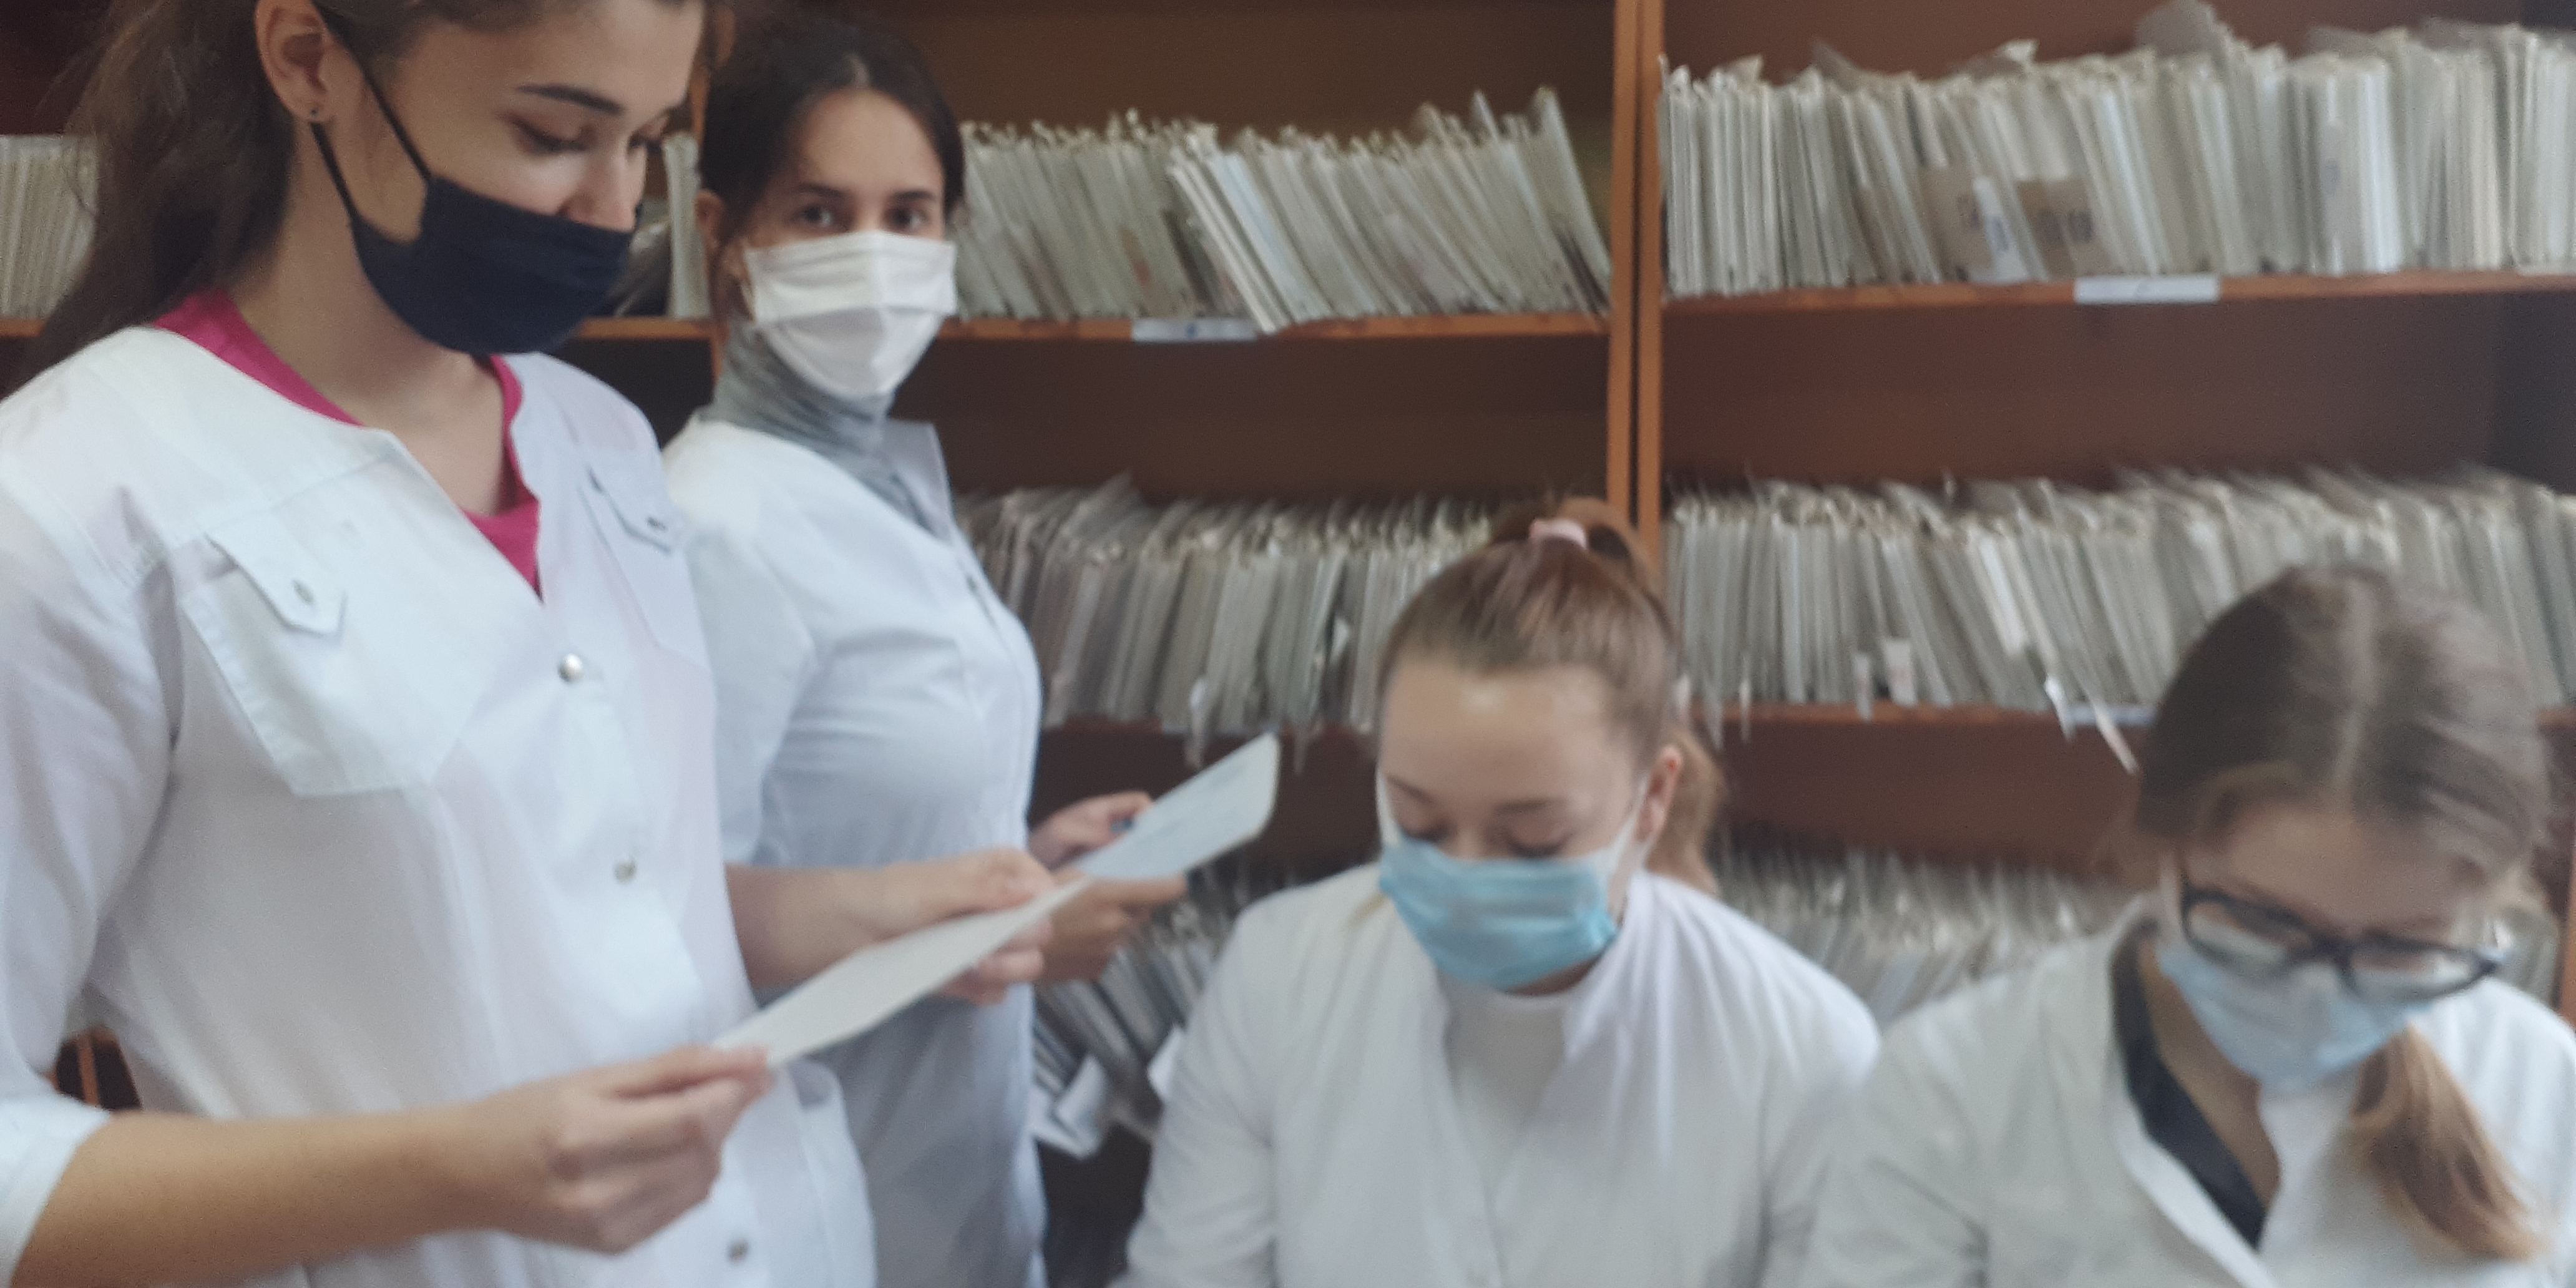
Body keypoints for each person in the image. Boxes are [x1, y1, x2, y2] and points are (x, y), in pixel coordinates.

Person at [0, 1, 1058, 1286]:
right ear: (308, 57)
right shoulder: (76, 504)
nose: (613, 212)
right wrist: (458, 1170)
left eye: (647, 142)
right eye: (554, 134)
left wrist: (882, 909)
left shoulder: (601, 442)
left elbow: (609, 894)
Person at [661, 13, 1188, 1288]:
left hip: (961, 1186)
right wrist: (999, 929)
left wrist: (1019, 863)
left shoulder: (887, 478)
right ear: (724, 238)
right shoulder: (713, 524)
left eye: (909, 216)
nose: (873, 256)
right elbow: (663, 927)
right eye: (819, 214)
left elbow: (853, 809)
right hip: (812, 1212)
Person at [1119, 500, 1881, 1288]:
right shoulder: (1279, 976)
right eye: (1419, 823)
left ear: (1653, 796)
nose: (1466, 874)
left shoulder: (1803, 1051)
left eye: (1533, 839)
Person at [1802, 565, 2576, 1287]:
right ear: (2166, 851)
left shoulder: (2544, 1086)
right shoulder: (1955, 1086)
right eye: (2266, 923)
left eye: (2400, 946)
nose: (2321, 992)